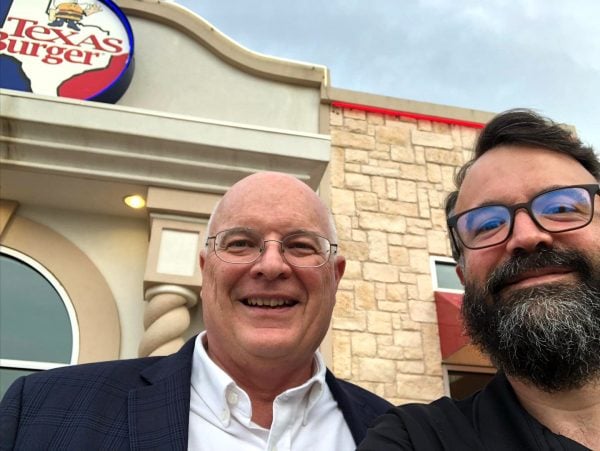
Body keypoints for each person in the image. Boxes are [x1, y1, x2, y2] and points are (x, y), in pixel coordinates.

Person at [0, 172, 391, 450]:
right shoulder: (40, 411)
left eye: (301, 246)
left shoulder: (398, 434)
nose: (271, 265)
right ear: (205, 272)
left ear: (335, 278)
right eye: (240, 243)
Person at [359, 109, 600, 451]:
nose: (527, 236)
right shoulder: (414, 440)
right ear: (463, 278)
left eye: (561, 208)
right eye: (487, 225)